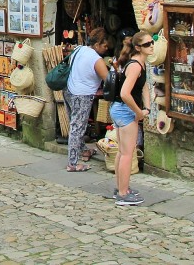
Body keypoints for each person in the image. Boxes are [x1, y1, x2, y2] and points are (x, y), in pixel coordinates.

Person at [110, 31, 154, 206]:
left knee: (122, 151)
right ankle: (122, 193)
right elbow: (125, 93)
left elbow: (143, 87)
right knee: (127, 153)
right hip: (125, 110)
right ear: (138, 48)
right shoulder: (135, 66)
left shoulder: (140, 64)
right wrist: (137, 112)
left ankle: (121, 188)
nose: (151, 46)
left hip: (121, 109)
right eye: (147, 44)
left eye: (152, 42)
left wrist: (147, 108)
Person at [63, 27, 112, 171]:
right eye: (104, 45)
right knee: (77, 128)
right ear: (97, 44)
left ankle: (84, 150)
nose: (106, 48)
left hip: (68, 90)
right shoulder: (96, 59)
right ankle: (72, 163)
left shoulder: (79, 49)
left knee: (76, 123)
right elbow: (108, 80)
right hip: (82, 94)